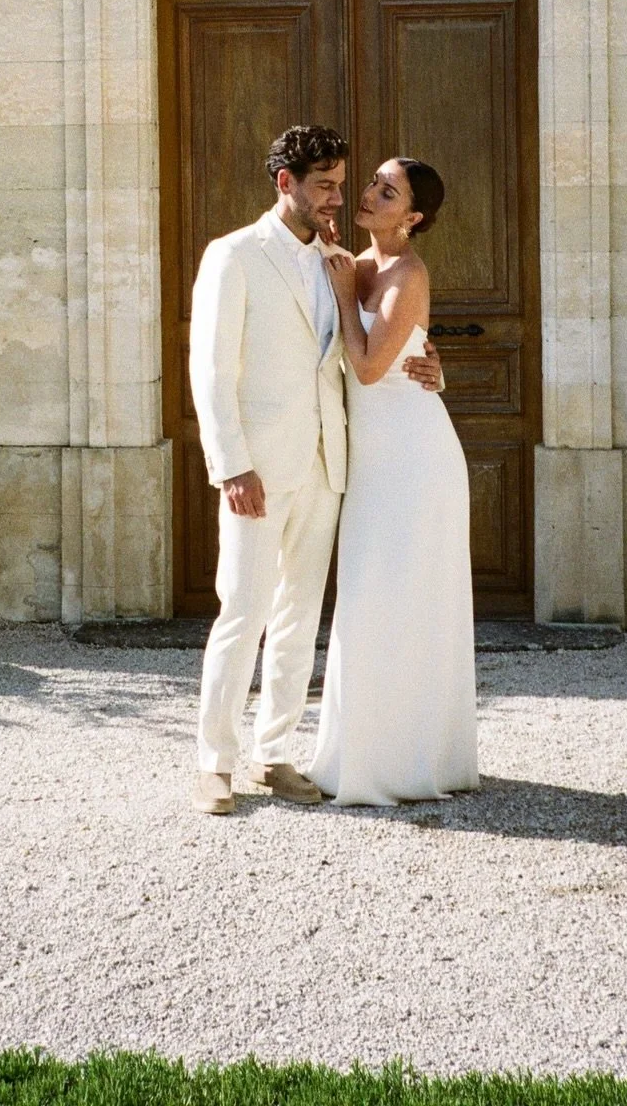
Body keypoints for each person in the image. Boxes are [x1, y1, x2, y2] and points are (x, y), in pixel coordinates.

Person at [189, 124, 442, 817]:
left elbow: (392, 323)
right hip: (259, 471)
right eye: (325, 185)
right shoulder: (233, 256)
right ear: (286, 184)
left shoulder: (340, 258)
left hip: (328, 463)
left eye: (342, 184)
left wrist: (431, 361)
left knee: (300, 616)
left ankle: (273, 755)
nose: (339, 197)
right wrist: (231, 465)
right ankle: (214, 765)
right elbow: (209, 371)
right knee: (241, 612)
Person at [311, 157, 479, 806]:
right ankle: (365, 754)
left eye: (388, 190)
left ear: (411, 218)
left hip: (415, 459)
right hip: (375, 461)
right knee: (368, 599)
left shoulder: (407, 273)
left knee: (406, 602)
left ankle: (410, 762)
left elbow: (369, 367)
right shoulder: (359, 264)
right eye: (373, 182)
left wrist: (341, 293)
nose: (370, 193)